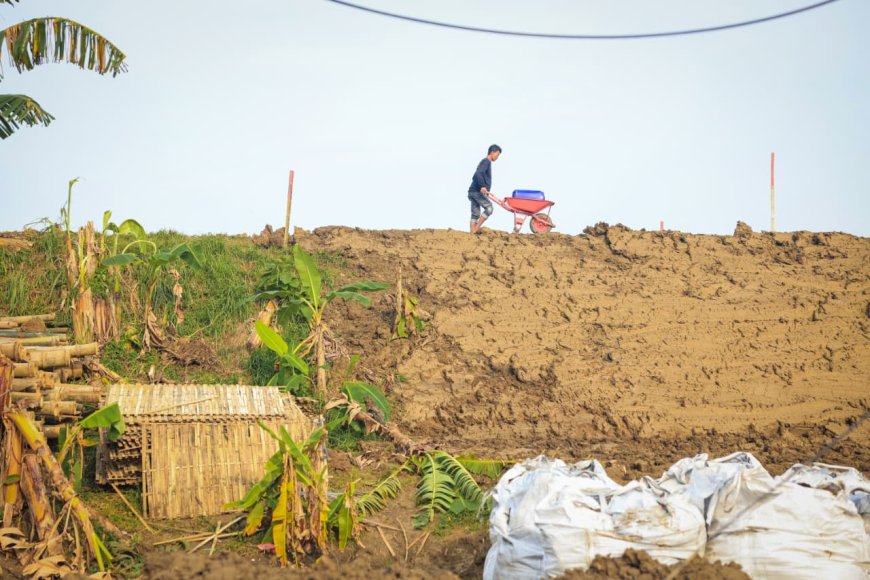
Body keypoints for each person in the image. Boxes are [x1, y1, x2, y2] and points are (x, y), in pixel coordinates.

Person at [468, 144, 501, 233]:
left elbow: (477, 175)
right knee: (489, 208)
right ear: (492, 152)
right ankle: (476, 228)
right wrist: (482, 186)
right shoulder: (486, 161)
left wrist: (485, 189)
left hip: (473, 191)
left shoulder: (484, 162)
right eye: (497, 155)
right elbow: (478, 173)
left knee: (475, 214)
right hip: (476, 192)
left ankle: (472, 232)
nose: (497, 157)